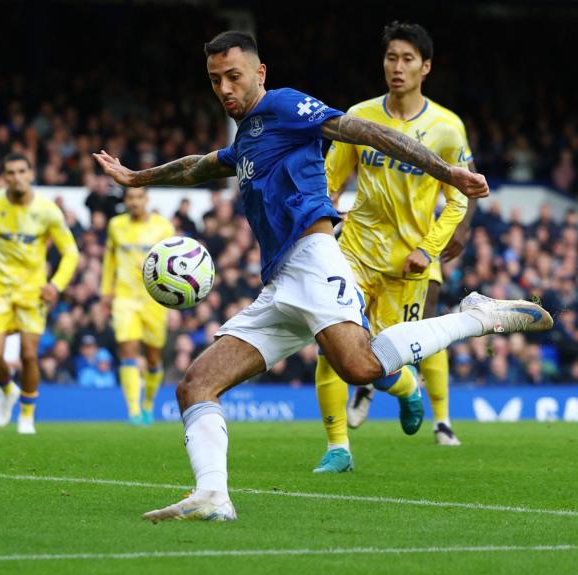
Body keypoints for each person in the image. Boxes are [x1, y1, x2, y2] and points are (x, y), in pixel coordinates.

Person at [93, 31, 551, 522]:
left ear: (260, 73)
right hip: (281, 283)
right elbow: (200, 167)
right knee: (196, 384)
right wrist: (137, 178)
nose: (225, 88)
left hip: (314, 258)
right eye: (215, 80)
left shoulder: (287, 107)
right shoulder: (249, 136)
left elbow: (366, 132)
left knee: (360, 367)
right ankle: (212, 497)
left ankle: (477, 317)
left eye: (234, 76)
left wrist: (445, 172)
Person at [315, 21, 479, 473]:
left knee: (380, 357)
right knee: (331, 344)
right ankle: (338, 448)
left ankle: (408, 389)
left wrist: (427, 250)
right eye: (391, 58)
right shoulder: (359, 116)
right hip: (355, 252)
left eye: (408, 59)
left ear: (425, 67)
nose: (398, 67)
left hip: (408, 264)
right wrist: (322, 227)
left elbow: (457, 201)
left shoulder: (447, 128)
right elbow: (328, 182)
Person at [0, 152, 79, 435]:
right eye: (10, 172)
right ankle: (8, 390)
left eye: (21, 171)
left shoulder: (48, 210)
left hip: (32, 294)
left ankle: (26, 416)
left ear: (30, 174)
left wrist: (56, 284)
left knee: (29, 356)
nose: (16, 177)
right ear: (4, 177)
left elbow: (70, 252)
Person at [100, 187, 174, 424]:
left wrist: (173, 299)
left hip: (155, 298)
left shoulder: (163, 227)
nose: (134, 202)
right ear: (125, 201)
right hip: (125, 297)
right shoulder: (116, 226)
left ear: (146, 199)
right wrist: (105, 292)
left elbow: (172, 264)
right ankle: (133, 411)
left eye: (138, 197)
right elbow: (109, 259)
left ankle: (148, 405)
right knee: (128, 350)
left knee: (153, 357)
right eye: (130, 198)